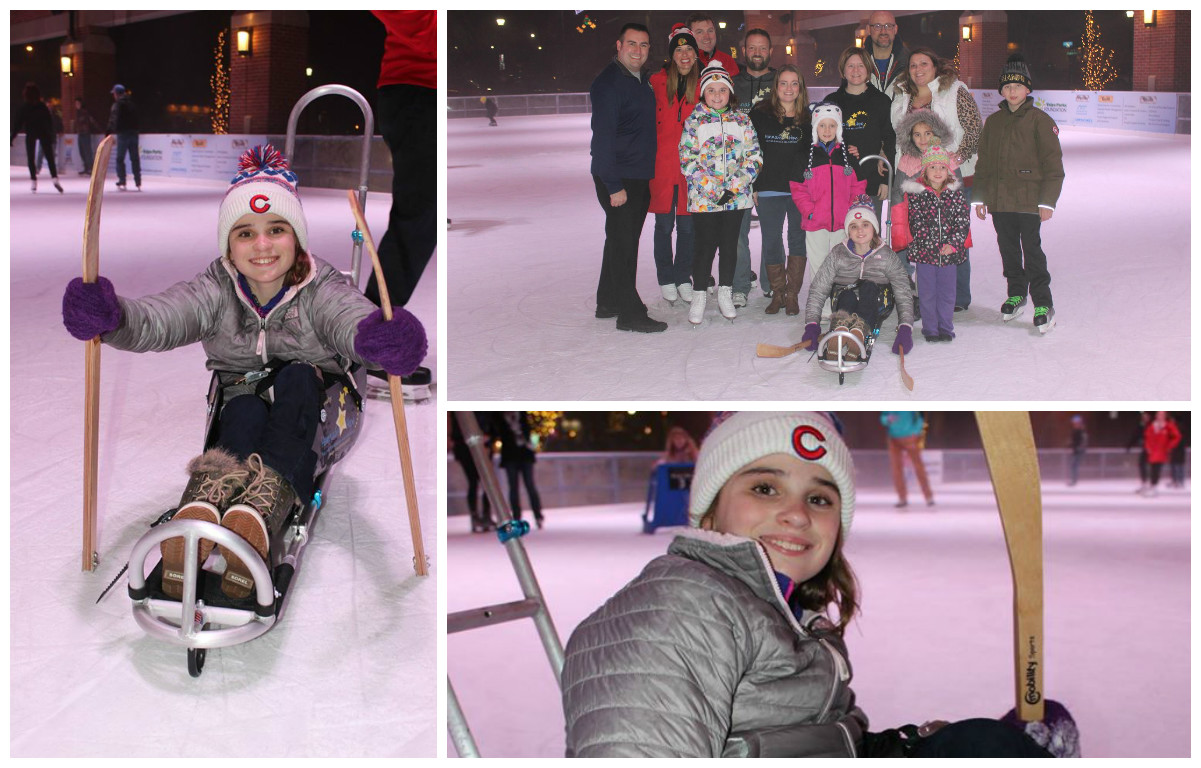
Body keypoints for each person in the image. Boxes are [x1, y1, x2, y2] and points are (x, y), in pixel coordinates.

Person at [562, 411, 1064, 757]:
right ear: (710, 510)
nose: (797, 514)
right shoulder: (679, 608)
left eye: (820, 499)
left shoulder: (785, 610)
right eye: (765, 488)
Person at [60, 145, 427, 600]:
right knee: (244, 405)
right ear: (228, 245)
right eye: (245, 233)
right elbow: (162, 317)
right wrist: (113, 317)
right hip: (240, 401)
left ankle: (263, 504)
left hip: (322, 415)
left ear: (296, 238)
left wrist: (377, 341)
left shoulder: (323, 286)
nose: (263, 245)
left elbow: (349, 319)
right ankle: (204, 500)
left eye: (277, 229)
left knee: (295, 378)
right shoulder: (215, 287)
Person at [366, 12, 436, 399]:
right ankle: (370, 340)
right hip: (414, 88)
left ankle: (370, 330)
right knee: (417, 216)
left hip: (425, 91)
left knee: (422, 217)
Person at [972, 54, 1065, 333]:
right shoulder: (995, 122)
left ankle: (1043, 302)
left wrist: (1047, 201)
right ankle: (1016, 292)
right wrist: (980, 197)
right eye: (1007, 87)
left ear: (1027, 90)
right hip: (1000, 201)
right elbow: (984, 163)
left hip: (1028, 200)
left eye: (1018, 86)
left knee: (1032, 250)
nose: (1012, 92)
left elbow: (1053, 165)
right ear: (1001, 91)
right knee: (1008, 249)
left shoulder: (1039, 120)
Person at [890, 47, 981, 312]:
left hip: (945, 170)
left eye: (924, 64)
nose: (918, 69)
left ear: (935, 66)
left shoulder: (954, 90)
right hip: (908, 169)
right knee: (906, 227)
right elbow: (894, 131)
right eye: (913, 65)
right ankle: (909, 292)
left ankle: (958, 296)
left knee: (952, 228)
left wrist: (956, 158)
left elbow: (974, 127)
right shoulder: (901, 94)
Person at [589, 23, 665, 333]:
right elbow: (602, 141)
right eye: (631, 44)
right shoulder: (610, 83)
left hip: (636, 174)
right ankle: (630, 313)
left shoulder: (639, 80)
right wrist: (614, 185)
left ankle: (608, 300)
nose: (638, 50)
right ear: (618, 45)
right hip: (620, 178)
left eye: (644, 45)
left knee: (620, 240)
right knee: (625, 246)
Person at [679, 62, 761, 324]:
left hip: (736, 200)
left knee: (729, 247)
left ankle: (726, 290)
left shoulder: (742, 120)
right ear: (703, 93)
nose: (717, 95)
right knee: (704, 247)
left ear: (730, 92)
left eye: (722, 90)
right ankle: (700, 293)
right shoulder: (695, 121)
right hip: (705, 200)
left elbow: (754, 156)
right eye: (711, 90)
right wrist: (714, 190)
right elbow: (688, 159)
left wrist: (734, 187)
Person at [800, 195, 914, 361]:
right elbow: (819, 288)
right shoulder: (838, 253)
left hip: (877, 301)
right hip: (845, 299)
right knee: (847, 294)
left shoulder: (886, 255)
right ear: (848, 231)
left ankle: (860, 331)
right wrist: (811, 325)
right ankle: (839, 331)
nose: (860, 231)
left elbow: (903, 291)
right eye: (854, 226)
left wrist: (905, 327)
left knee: (869, 287)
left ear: (874, 227)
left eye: (865, 225)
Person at [749, 65, 809, 315]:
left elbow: (813, 153)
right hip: (768, 188)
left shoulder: (808, 117)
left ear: (800, 88)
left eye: (794, 83)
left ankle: (792, 294)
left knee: (797, 239)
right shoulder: (760, 113)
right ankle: (778, 292)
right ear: (776, 87)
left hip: (799, 189)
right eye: (783, 83)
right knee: (771, 240)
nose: (788, 88)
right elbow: (750, 149)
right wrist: (752, 183)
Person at [648, 24, 700, 304]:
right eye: (678, 50)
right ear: (671, 54)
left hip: (691, 170)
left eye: (689, 49)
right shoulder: (655, 82)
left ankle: (683, 276)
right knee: (664, 226)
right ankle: (666, 276)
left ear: (695, 53)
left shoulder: (702, 84)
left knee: (688, 228)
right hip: (662, 167)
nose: (684, 55)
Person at [790, 102, 866, 283]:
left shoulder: (847, 156)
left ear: (838, 128)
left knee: (843, 262)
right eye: (822, 125)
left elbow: (859, 185)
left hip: (843, 221)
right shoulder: (803, 157)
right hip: (815, 221)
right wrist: (810, 211)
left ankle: (840, 300)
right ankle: (821, 305)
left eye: (832, 125)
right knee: (819, 263)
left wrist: (851, 210)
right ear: (815, 127)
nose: (826, 130)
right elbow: (798, 188)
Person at [902, 145, 970, 342]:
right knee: (927, 293)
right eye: (932, 167)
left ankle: (946, 327)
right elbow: (916, 222)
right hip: (925, 254)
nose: (938, 172)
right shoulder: (918, 194)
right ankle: (930, 328)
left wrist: (952, 244)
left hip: (949, 254)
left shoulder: (956, 194)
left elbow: (962, 221)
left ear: (948, 170)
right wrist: (931, 244)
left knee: (948, 293)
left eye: (942, 167)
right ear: (925, 171)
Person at [731, 28, 775, 308]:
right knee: (737, 232)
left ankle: (771, 282)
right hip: (738, 169)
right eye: (752, 48)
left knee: (771, 231)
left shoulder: (782, 81)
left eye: (762, 48)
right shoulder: (732, 84)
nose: (757, 53)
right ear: (744, 51)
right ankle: (739, 284)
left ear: (770, 51)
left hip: (772, 168)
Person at [825, 46, 896, 221]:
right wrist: (839, 148)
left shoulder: (881, 101)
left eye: (860, 66)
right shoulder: (831, 102)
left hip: (871, 179)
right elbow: (820, 140)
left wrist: (885, 180)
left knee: (870, 233)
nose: (855, 71)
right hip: (839, 181)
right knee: (843, 234)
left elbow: (889, 140)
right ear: (842, 70)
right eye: (850, 66)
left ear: (868, 70)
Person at [491, 412, 544, 528]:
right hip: (510, 455)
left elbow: (529, 428)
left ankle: (538, 515)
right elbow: (497, 431)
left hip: (525, 453)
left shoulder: (522, 414)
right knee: (513, 487)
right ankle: (516, 517)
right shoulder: (499, 417)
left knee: (530, 485)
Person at [10, 82, 63, 193]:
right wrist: (51, 135)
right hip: (43, 132)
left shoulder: (24, 107)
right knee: (49, 157)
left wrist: (12, 137)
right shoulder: (42, 106)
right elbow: (49, 122)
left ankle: (33, 180)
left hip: (31, 132)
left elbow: (18, 124)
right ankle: (54, 178)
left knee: (31, 157)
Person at [451, 413, 492, 532]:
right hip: (466, 449)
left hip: (479, 446)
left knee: (484, 483)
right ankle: (477, 515)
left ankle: (484, 515)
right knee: (475, 482)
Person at [881, 412, 934, 506]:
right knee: (896, 469)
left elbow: (920, 418)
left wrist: (915, 433)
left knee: (918, 467)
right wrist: (887, 419)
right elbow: (883, 418)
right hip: (893, 438)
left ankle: (928, 496)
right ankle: (902, 498)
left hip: (910, 437)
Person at [865, 11, 909, 97]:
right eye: (877, 26)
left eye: (888, 26)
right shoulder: (858, 63)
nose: (883, 31)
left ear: (895, 29)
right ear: (868, 29)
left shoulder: (910, 62)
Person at [107, 83, 141, 191]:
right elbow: (137, 117)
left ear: (116, 94)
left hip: (123, 134)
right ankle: (138, 181)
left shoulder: (117, 105)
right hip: (133, 133)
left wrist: (109, 131)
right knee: (135, 158)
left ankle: (122, 180)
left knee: (120, 158)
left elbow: (113, 119)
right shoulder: (132, 103)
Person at [1142, 411, 1182, 497]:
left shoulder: (1168, 426)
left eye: (1162, 415)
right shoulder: (1152, 425)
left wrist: (1169, 446)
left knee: (1156, 469)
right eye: (1159, 414)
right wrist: (1148, 447)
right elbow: (1147, 437)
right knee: (1152, 469)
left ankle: (1154, 487)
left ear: (1165, 416)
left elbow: (1177, 436)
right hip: (1152, 452)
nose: (1160, 416)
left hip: (1161, 452)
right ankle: (1152, 486)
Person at [73, 96, 101, 176]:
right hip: (80, 134)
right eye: (76, 104)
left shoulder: (85, 112)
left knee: (87, 151)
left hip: (85, 133)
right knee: (82, 151)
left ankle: (90, 168)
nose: (76, 105)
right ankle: (86, 167)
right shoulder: (77, 112)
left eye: (78, 103)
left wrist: (98, 129)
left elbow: (91, 121)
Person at [1127, 412, 1151, 493]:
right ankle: (1145, 484)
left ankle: (1150, 485)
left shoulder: (1151, 426)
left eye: (1146, 417)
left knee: (1149, 466)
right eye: (1143, 417)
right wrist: (1129, 446)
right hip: (1145, 449)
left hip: (1152, 449)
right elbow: (1135, 436)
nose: (1145, 418)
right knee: (1142, 465)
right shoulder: (1141, 426)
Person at [1167, 414, 1187, 488]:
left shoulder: (1178, 428)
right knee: (1174, 466)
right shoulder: (1174, 428)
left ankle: (1180, 482)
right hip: (1175, 450)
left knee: (1179, 467)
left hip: (1179, 450)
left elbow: (1179, 439)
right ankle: (1175, 481)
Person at [1068, 415, 1087, 487]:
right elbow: (1073, 441)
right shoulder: (1075, 431)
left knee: (1074, 465)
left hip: (1078, 451)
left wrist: (1080, 448)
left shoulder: (1081, 431)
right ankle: (1073, 480)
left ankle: (1074, 480)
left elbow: (1083, 441)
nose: (1075, 424)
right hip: (1075, 450)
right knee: (1073, 465)